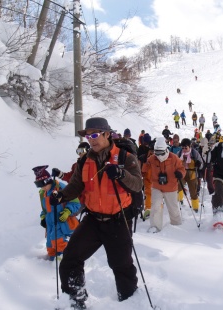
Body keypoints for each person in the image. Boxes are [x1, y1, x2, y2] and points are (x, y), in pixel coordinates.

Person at [51, 117, 143, 308]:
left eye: (95, 134)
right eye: (87, 135)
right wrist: (61, 196)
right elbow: (76, 185)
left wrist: (121, 174)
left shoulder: (126, 157)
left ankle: (130, 303)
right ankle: (75, 301)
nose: (91, 139)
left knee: (122, 266)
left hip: (118, 220)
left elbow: (137, 184)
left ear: (107, 134)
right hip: (93, 220)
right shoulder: (85, 160)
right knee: (70, 260)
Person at [32, 165, 81, 261]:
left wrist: (67, 211)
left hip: (61, 221)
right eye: (39, 185)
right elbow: (45, 209)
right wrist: (43, 218)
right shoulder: (43, 193)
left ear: (48, 181)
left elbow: (76, 202)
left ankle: (65, 259)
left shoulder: (60, 188)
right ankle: (51, 260)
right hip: (50, 223)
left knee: (59, 241)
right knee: (50, 244)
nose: (42, 188)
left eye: (43, 184)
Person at [142, 137, 185, 232]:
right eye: (156, 153)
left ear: (166, 149)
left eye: (160, 153)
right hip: (157, 187)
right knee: (155, 207)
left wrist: (180, 173)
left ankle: (177, 225)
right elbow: (144, 170)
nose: (158, 155)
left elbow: (182, 168)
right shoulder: (152, 158)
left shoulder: (174, 158)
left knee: (173, 208)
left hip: (171, 187)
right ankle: (155, 226)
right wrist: (144, 163)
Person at [177, 138, 203, 212]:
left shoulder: (194, 153)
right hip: (182, 173)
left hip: (192, 174)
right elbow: (175, 164)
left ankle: (195, 207)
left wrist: (199, 164)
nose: (184, 149)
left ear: (189, 146)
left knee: (193, 191)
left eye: (186, 148)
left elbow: (201, 165)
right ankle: (180, 199)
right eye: (183, 148)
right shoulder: (179, 154)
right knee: (179, 186)